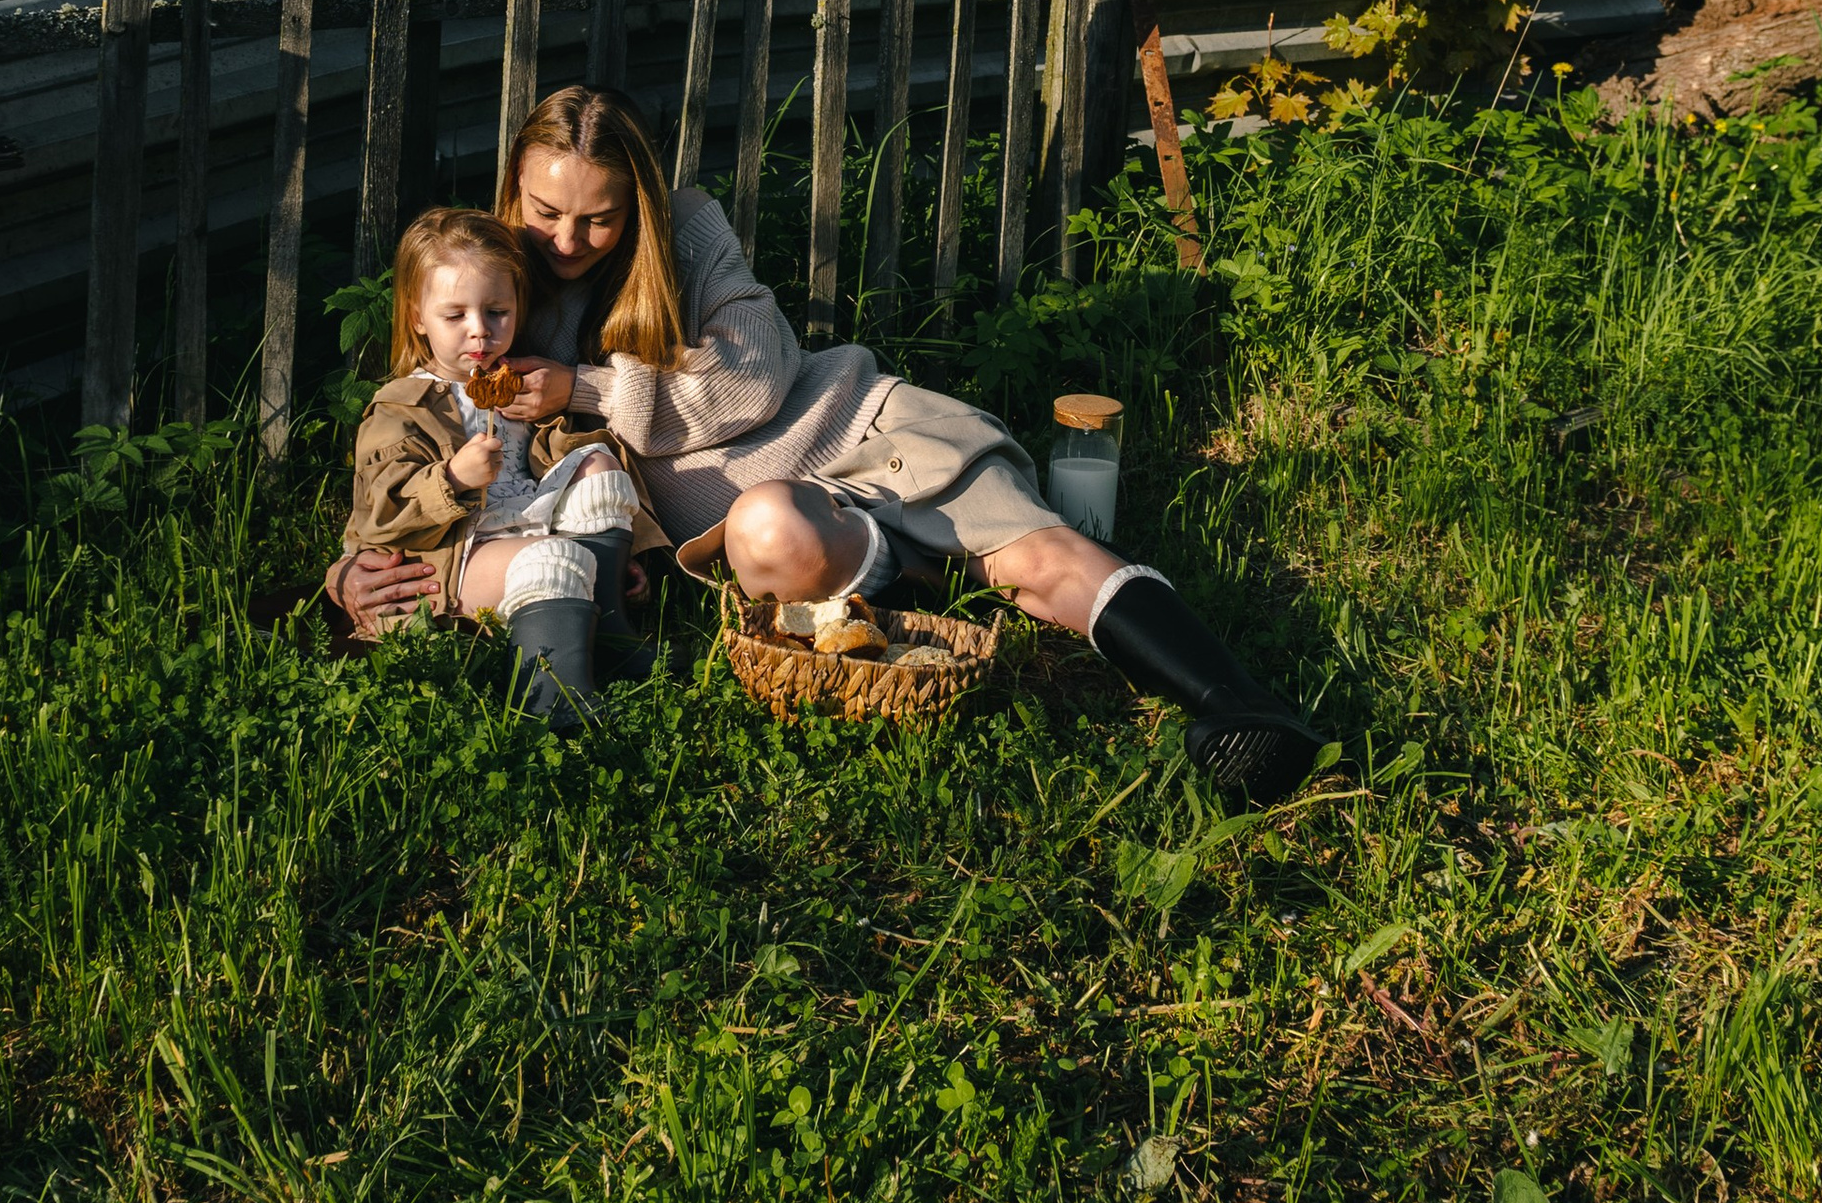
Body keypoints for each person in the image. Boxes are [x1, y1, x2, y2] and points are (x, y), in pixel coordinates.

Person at [330, 85, 1327, 798]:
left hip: (860, 430)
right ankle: (912, 594)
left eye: (597, 218)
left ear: (636, 198)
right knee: (763, 531)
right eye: (544, 210)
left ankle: (1238, 704)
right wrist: (346, 573)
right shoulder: (490, 295)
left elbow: (756, 369)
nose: (568, 239)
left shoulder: (684, 230)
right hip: (788, 528)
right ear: (512, 190)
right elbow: (417, 439)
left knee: (1037, 561)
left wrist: (587, 383)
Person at [339, 204, 659, 732]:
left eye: (496, 312)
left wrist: (614, 555)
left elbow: (553, 475)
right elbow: (379, 510)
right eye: (454, 315)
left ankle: (610, 632)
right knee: (551, 556)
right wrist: (452, 479)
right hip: (458, 553)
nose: (479, 332)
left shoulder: (520, 387)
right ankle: (550, 702)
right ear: (418, 317)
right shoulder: (401, 405)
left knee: (599, 463)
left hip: (527, 527)